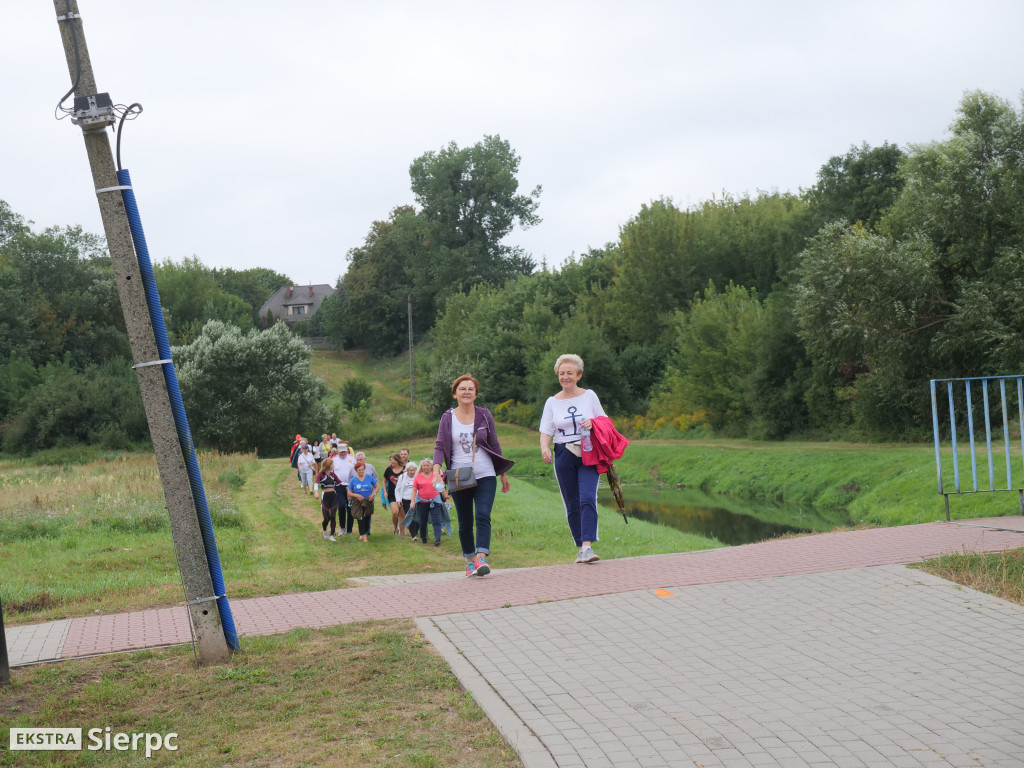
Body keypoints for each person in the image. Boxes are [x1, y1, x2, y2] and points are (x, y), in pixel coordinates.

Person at [433, 374, 513, 577]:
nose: (467, 392)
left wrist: (502, 472)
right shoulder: (447, 417)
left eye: (471, 389)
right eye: (462, 389)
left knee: (483, 515)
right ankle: (469, 560)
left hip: (485, 473)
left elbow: (494, 443)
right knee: (465, 520)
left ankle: (481, 557)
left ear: (476, 393)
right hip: (459, 475)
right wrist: (435, 472)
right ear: (455, 394)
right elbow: (440, 445)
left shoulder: (485, 414)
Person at [539, 354, 606, 564]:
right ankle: (580, 547)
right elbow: (546, 429)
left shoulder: (590, 396)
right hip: (564, 453)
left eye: (569, 373)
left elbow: (604, 420)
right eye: (561, 374)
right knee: (571, 501)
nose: (565, 377)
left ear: (578, 375)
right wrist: (544, 447)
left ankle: (588, 545)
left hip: (588, 451)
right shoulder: (551, 402)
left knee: (588, 497)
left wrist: (593, 423)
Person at [411, 458, 445, 546]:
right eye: (424, 466)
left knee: (436, 520)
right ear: (421, 467)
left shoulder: (435, 475)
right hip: (422, 502)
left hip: (435, 501)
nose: (426, 467)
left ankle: (437, 539)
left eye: (427, 465)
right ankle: (424, 538)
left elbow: (441, 487)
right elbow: (414, 490)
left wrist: (446, 498)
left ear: (431, 466)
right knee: (422, 521)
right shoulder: (418, 476)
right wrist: (412, 502)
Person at [347, 460, 377, 543]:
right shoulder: (353, 480)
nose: (361, 471)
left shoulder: (369, 477)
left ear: (364, 469)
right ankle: (364, 537)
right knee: (360, 518)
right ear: (356, 471)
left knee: (367, 517)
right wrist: (356, 495)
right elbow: (349, 492)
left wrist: (373, 494)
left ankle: (363, 533)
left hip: (368, 501)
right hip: (357, 502)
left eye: (362, 469)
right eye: (359, 470)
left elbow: (377, 486)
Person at [317, 457, 342, 541]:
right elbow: (316, 483)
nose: (333, 465)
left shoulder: (333, 474)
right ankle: (324, 530)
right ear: (328, 465)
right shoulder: (320, 474)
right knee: (326, 517)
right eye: (332, 464)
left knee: (333, 516)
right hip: (325, 497)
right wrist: (316, 492)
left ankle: (332, 535)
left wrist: (350, 484)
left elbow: (340, 483)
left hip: (333, 496)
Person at [382, 453, 406, 535]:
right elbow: (384, 481)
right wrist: (385, 491)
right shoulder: (389, 469)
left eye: (393, 460)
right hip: (392, 494)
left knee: (402, 513)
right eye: (390, 460)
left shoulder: (404, 469)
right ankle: (396, 528)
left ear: (397, 460)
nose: (391, 461)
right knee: (395, 512)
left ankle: (402, 532)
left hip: (403, 494)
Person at [395, 461, 417, 536]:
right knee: (409, 516)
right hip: (405, 499)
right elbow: (397, 489)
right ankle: (413, 534)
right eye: (410, 470)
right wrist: (398, 500)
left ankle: (415, 532)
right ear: (407, 470)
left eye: (413, 470)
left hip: (416, 499)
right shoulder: (402, 477)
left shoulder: (417, 476)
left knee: (416, 516)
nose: (412, 472)